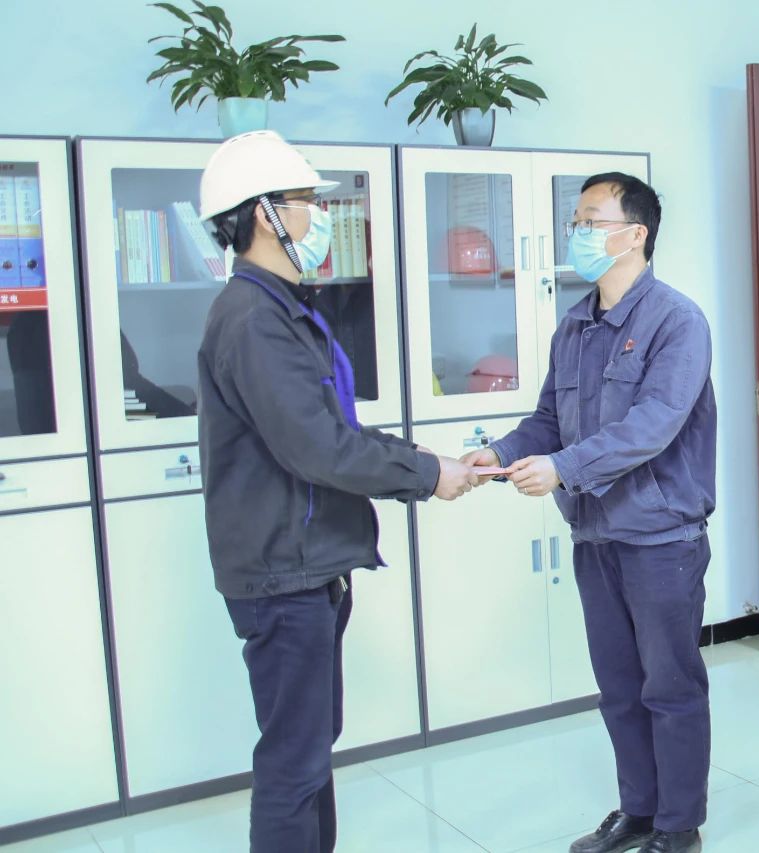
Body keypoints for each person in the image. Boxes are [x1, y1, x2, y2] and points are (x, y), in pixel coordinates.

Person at [195, 130, 478, 853]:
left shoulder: (279, 308)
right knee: (294, 761)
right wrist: (427, 476)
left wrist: (416, 456)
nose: (318, 216)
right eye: (305, 202)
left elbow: (330, 426)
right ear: (265, 215)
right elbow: (317, 449)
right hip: (282, 572)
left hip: (302, 564)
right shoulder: (255, 320)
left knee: (310, 748)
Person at [463, 173, 716, 853]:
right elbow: (549, 417)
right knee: (619, 688)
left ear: (635, 233)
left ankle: (679, 826)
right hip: (595, 533)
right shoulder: (575, 324)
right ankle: (639, 810)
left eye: (590, 220)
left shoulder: (677, 321)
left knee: (670, 686)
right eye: (574, 220)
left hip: (661, 536)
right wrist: (501, 452)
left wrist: (563, 468)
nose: (575, 232)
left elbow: (653, 423)